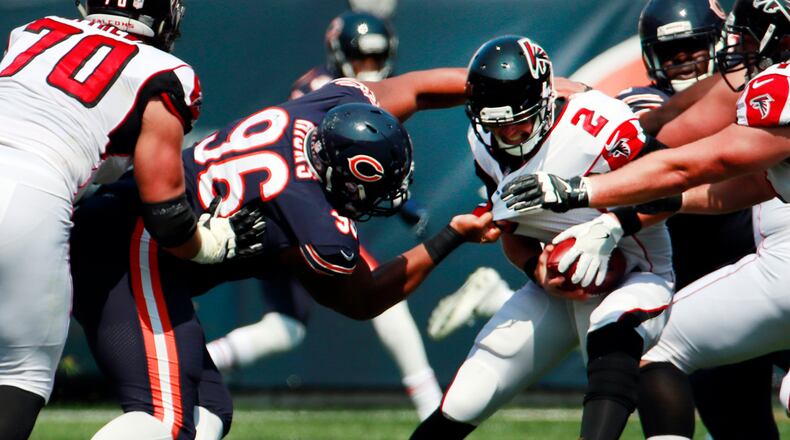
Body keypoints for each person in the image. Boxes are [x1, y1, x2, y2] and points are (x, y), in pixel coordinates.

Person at [71, 69, 499, 439]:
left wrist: (506, 85)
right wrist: (452, 235)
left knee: (210, 409)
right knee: (168, 419)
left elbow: (418, 89)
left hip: (123, 233)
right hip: (129, 247)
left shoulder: (324, 110)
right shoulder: (313, 219)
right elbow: (364, 298)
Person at [506, 2, 790, 438]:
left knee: (649, 342)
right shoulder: (674, 100)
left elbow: (688, 162)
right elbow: (752, 184)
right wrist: (632, 215)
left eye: (748, 40)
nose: (739, 52)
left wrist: (584, 190)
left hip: (770, 266)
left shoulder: (778, 87)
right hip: (738, 272)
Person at [0, 1, 263, 438]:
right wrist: (212, 244)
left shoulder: (34, 31)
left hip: (29, 184)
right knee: (21, 373)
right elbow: (166, 214)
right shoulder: (164, 73)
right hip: (35, 193)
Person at [410, 35, 674, 440]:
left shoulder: (598, 124)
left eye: (520, 122)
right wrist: (537, 269)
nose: (509, 134)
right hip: (560, 284)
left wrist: (612, 226)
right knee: (467, 396)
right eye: (498, 126)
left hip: (636, 270)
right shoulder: (483, 143)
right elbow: (512, 228)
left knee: (611, 329)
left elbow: (670, 191)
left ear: (546, 101)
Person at [206, 11, 442, 419]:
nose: (370, 68)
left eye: (376, 58)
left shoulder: (346, 90)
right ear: (339, 55)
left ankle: (197, 363)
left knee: (286, 329)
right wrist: (403, 205)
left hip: (284, 213)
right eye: (361, 59)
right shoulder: (327, 92)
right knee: (384, 297)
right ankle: (431, 404)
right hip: (297, 213)